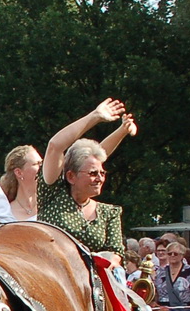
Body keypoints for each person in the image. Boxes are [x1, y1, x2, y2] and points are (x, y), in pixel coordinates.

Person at [37, 99, 137, 264]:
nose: (99, 178)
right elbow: (55, 146)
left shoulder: (108, 213)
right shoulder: (52, 194)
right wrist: (95, 116)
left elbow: (116, 252)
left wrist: (122, 131)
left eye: (102, 173)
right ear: (71, 176)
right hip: (52, 276)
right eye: (93, 173)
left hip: (92, 282)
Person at [0, 144, 42, 221]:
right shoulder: (5, 212)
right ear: (18, 172)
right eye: (36, 164)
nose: (42, 167)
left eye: (41, 163)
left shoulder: (48, 205)